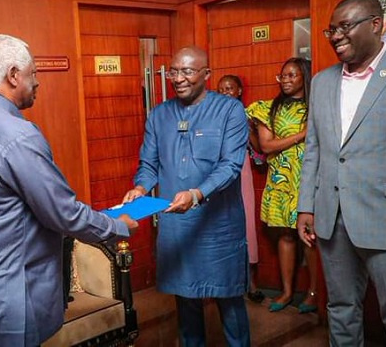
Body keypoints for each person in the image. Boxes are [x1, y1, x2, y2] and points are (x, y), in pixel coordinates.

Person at [0, 34, 138, 347]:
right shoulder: (16, 133)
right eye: (34, 74)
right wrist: (116, 225)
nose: (38, 83)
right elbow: (62, 212)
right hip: (5, 288)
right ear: (12, 75)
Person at [123, 46, 250, 346]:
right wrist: (141, 188)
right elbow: (149, 164)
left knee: (229, 298)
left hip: (219, 226)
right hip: (177, 226)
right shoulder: (159, 114)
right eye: (174, 71)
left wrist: (196, 194)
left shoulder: (229, 110)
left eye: (188, 71)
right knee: (186, 298)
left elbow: (231, 166)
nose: (178, 78)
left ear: (207, 74)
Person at [298, 0, 386, 345]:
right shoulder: (323, 82)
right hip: (331, 218)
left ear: (375, 24)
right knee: (341, 309)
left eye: (345, 26)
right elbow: (315, 149)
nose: (336, 35)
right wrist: (306, 206)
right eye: (332, 30)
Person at [246, 58, 318, 314]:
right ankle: (287, 292)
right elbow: (265, 147)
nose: (286, 80)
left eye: (292, 75)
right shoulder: (268, 108)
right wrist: (302, 134)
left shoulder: (317, 106)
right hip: (280, 182)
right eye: (282, 76)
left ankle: (313, 293)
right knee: (285, 236)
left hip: (310, 180)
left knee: (311, 238)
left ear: (304, 78)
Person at [217, 75, 264, 304]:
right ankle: (224, 282)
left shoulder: (246, 115)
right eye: (221, 89)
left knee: (246, 224)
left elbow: (258, 147)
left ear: (239, 91)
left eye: (230, 88)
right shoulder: (211, 115)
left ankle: (250, 281)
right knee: (220, 223)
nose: (225, 92)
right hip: (216, 173)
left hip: (241, 170)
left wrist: (250, 127)